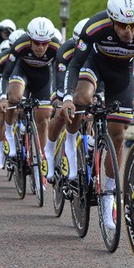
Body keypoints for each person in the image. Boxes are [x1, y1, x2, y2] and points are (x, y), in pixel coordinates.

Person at [61, 0, 134, 201]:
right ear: (112, 18)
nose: (129, 31)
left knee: (118, 134)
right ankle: (70, 142)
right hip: (94, 65)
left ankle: (110, 194)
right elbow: (75, 63)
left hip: (121, 74)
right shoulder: (95, 26)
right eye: (123, 25)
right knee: (82, 98)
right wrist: (67, 97)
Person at [0, 17, 60, 178]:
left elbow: (60, 72)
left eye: (44, 43)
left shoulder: (56, 47)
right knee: (15, 97)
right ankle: (10, 133)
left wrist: (59, 96)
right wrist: (3, 97)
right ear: (30, 39)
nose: (40, 47)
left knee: (44, 118)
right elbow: (6, 74)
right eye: (36, 43)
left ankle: (41, 158)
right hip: (22, 73)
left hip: (43, 79)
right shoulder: (20, 44)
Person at [43, 18, 88, 176]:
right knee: (62, 112)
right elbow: (61, 79)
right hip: (64, 82)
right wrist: (61, 99)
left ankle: (87, 140)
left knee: (91, 106)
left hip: (85, 81)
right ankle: (49, 149)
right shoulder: (65, 51)